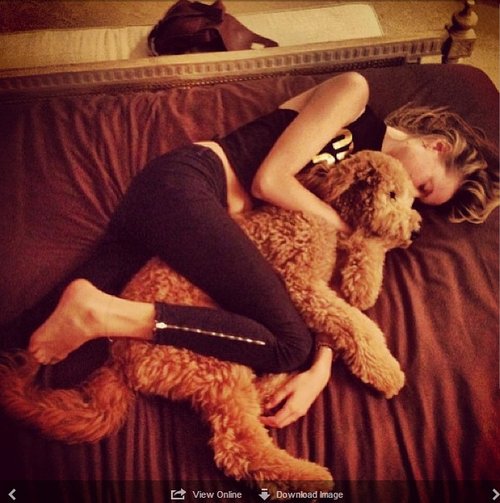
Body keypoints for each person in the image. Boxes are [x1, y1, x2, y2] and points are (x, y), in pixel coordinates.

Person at [18, 72, 498, 428]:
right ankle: (102, 312)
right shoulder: (355, 97)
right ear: (435, 146)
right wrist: (345, 232)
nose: (410, 198)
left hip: (190, 233)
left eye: (420, 202)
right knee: (289, 345)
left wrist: (320, 370)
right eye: (424, 187)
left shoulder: (372, 204)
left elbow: (326, 290)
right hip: (188, 187)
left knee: (33, 350)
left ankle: (82, 314)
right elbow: (270, 181)